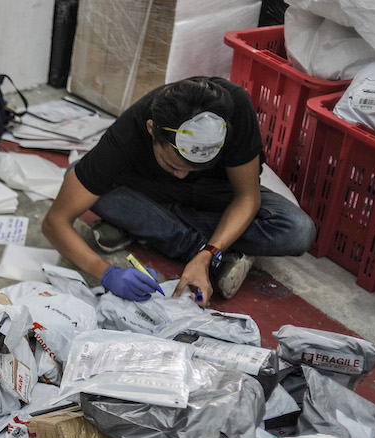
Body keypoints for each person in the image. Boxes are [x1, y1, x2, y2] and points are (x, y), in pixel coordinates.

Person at [42, 76, 315, 306]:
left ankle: (153, 229)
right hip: (152, 191)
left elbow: (247, 197)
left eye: (195, 167)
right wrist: (107, 273)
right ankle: (189, 242)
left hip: (215, 194)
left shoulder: (235, 108)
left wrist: (207, 254)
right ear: (152, 130)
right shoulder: (130, 130)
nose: (182, 174)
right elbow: (55, 222)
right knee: (77, 177)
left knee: (298, 230)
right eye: (172, 165)